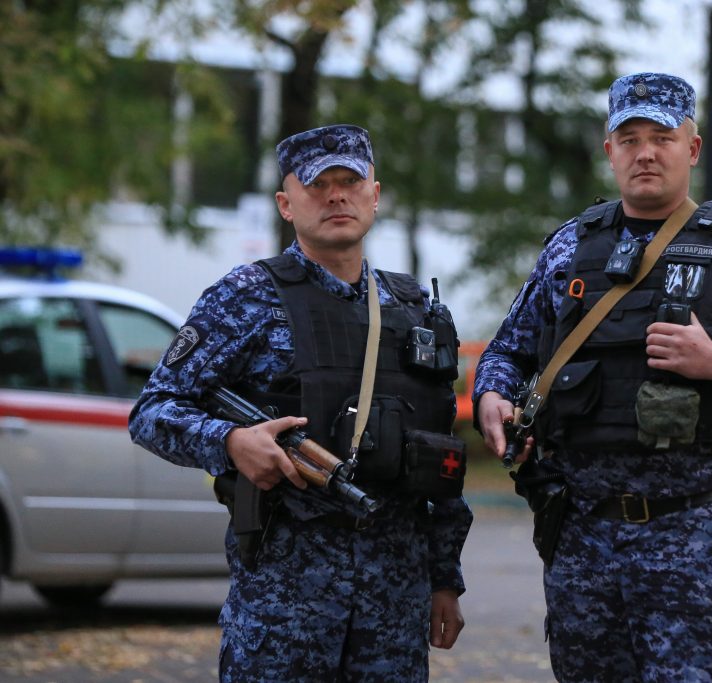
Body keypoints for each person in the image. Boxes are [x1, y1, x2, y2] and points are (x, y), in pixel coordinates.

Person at [474, 72, 712, 681]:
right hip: (583, 541)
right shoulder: (569, 248)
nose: (645, 152)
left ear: (691, 149)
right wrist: (491, 396)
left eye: (661, 136)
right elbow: (508, 351)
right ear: (608, 150)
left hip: (690, 539)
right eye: (629, 137)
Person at [130, 124, 472, 682]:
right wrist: (232, 442)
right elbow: (152, 410)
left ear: (375, 195)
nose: (336, 195)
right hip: (283, 606)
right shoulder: (245, 296)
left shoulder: (416, 310)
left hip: (393, 609)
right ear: (287, 204)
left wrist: (445, 578)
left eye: (350, 181)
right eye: (318, 185)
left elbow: (441, 458)